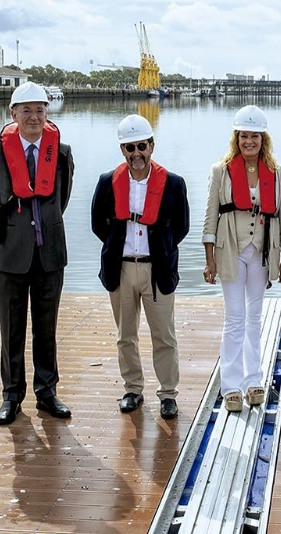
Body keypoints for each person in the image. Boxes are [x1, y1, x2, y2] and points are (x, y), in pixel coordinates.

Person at [0, 82, 75, 425]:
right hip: (10, 254)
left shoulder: (61, 153)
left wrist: (43, 228)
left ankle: (47, 392)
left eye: (40, 110)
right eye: (27, 110)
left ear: (46, 114)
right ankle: (12, 395)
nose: (34, 117)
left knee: (47, 327)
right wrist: (14, 233)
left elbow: (60, 199)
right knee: (11, 329)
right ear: (13, 113)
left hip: (50, 252)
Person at [91, 114, 189, 419]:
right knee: (126, 334)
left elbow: (182, 227)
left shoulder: (173, 184)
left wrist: (160, 248)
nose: (137, 153)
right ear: (123, 150)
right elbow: (98, 224)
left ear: (152, 146)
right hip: (121, 268)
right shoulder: (108, 182)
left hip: (156, 269)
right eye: (130, 147)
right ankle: (132, 388)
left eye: (142, 146)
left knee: (164, 335)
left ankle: (168, 393)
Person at [202, 105, 281, 412]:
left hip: (263, 252)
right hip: (231, 250)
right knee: (235, 318)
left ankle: (255, 380)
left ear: (263, 138)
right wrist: (209, 258)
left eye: (255, 136)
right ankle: (231, 385)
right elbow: (210, 217)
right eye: (244, 136)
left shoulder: (277, 173)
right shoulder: (221, 170)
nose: (249, 141)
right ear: (236, 138)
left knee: (255, 317)